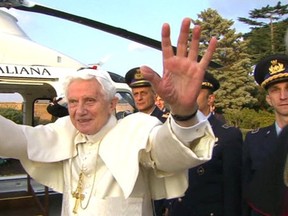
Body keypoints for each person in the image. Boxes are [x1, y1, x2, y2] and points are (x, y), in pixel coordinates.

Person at [0, 18, 217, 216]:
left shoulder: (135, 130)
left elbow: (170, 152)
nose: (80, 110)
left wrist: (183, 113)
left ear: (112, 104)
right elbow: (16, 138)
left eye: (90, 100)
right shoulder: (64, 131)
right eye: (73, 102)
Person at [166, 72, 243, 216]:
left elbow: (232, 189)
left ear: (210, 99)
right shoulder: (173, 131)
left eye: (196, 92)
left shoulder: (228, 136)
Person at [242, 54, 288, 216]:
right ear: (268, 99)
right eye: (276, 90)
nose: (283, 96)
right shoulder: (254, 140)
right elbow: (246, 194)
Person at [125, 67, 169, 215]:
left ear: (154, 94)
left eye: (143, 93)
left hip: (160, 196)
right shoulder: (128, 123)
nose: (139, 98)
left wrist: (169, 203)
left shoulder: (167, 123)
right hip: (134, 195)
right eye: (135, 94)